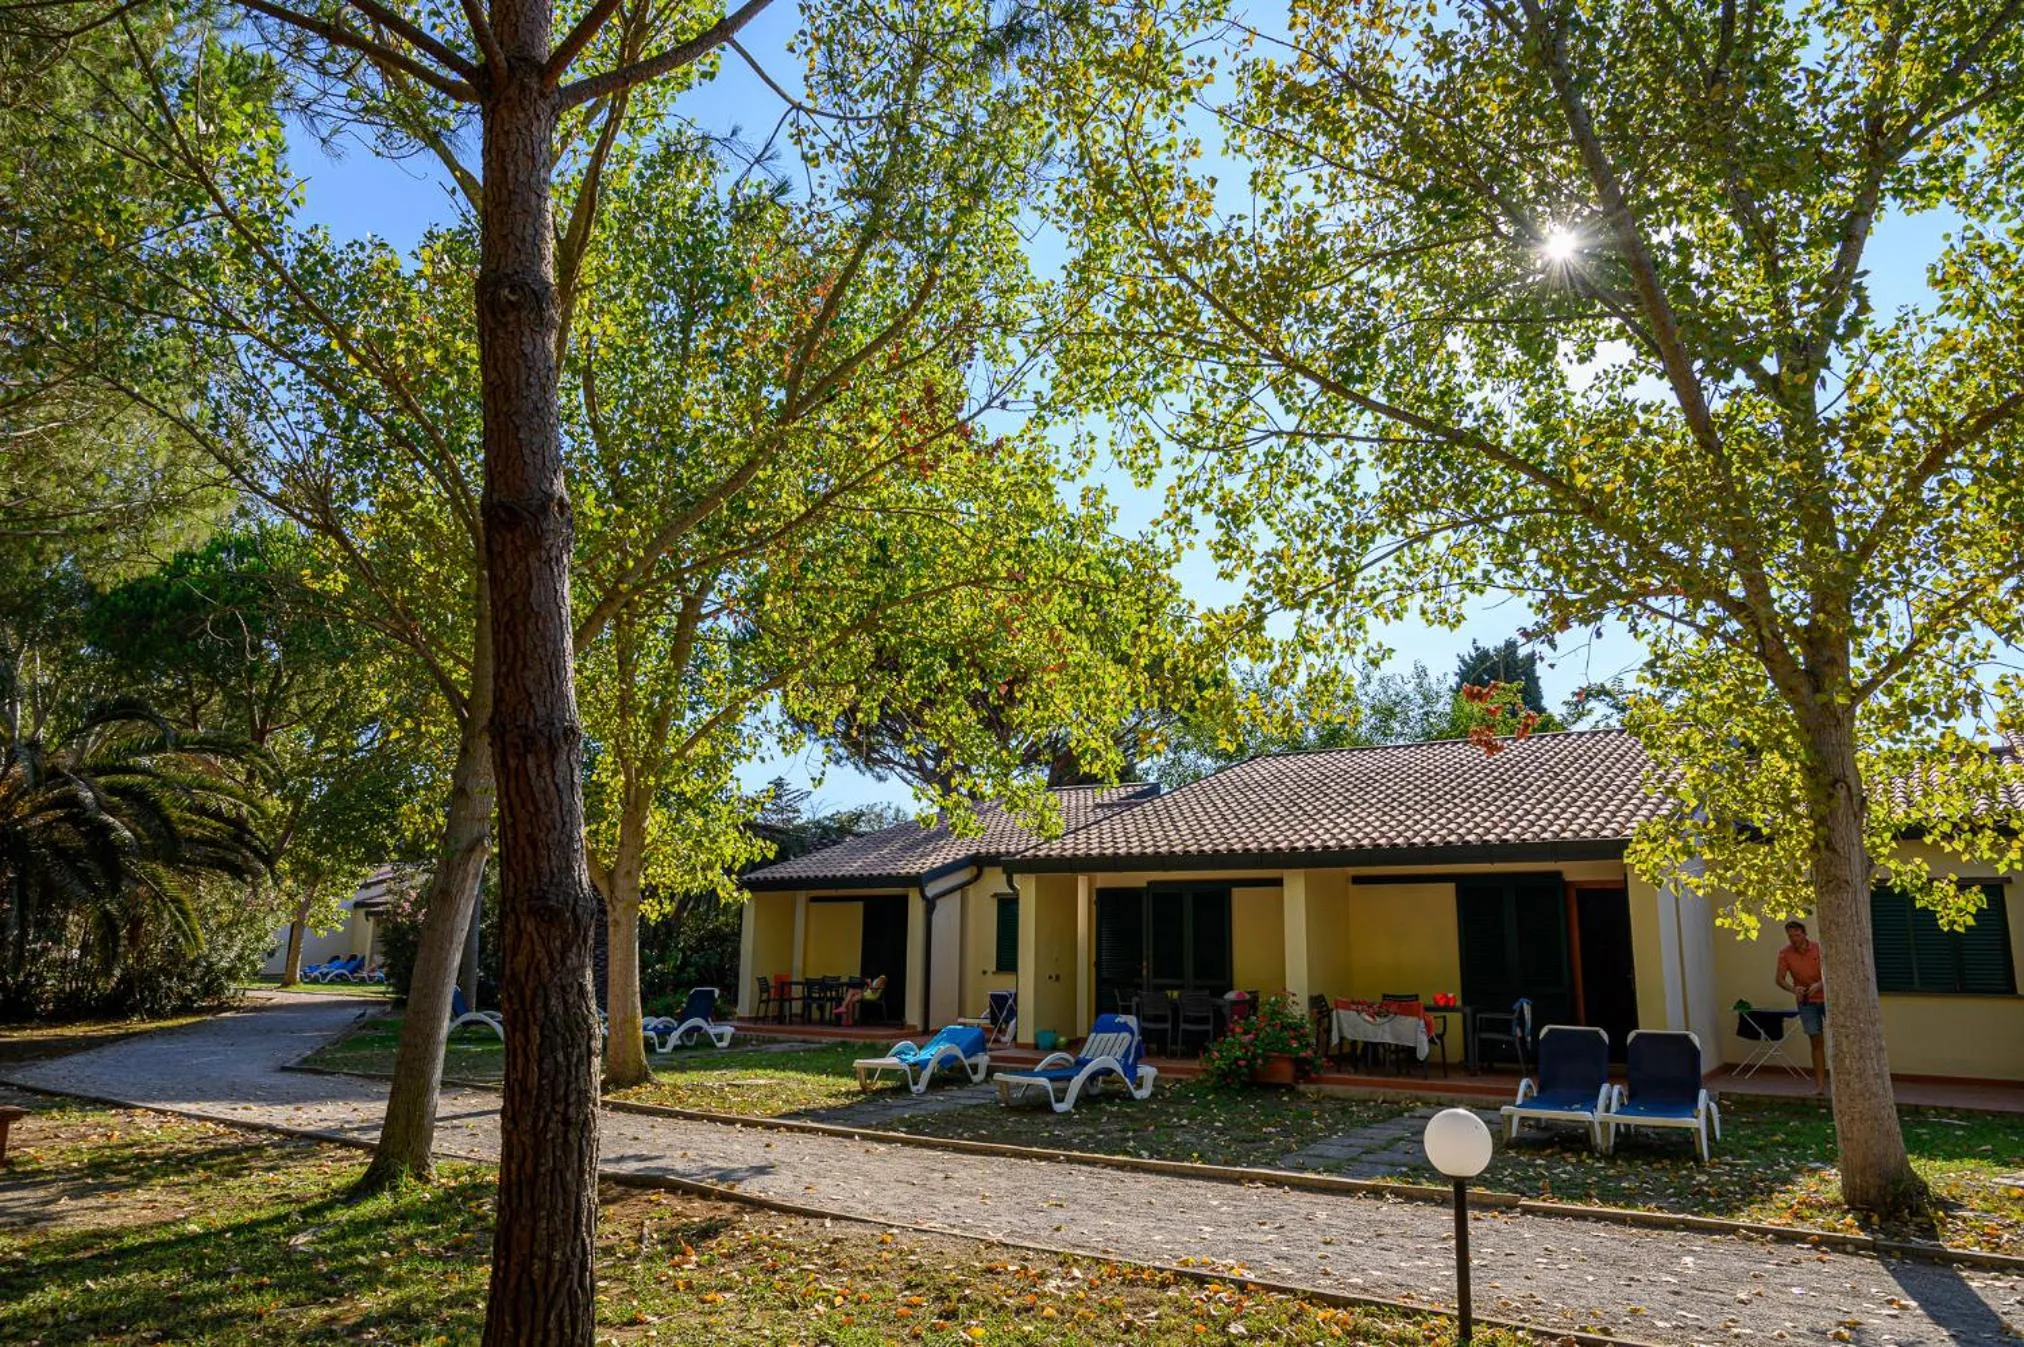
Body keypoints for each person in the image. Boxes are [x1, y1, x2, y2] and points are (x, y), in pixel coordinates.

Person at [1775, 919, 1828, 1094]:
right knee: (1816, 1041)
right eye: (1790, 936)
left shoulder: (1819, 948)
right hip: (1806, 1002)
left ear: (1804, 934)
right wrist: (1793, 989)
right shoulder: (1785, 953)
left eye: (1797, 935)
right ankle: (1819, 1086)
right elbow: (1779, 979)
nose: (1794, 939)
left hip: (1828, 998)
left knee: (1841, 1041)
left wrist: (1819, 984)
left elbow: (1832, 971)